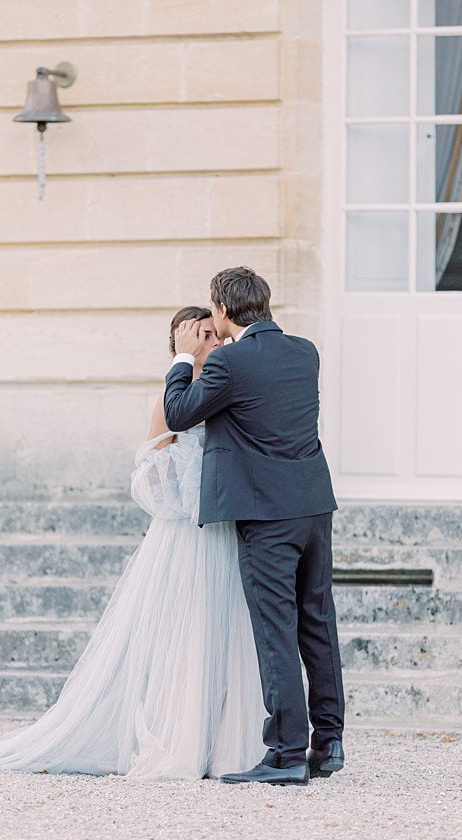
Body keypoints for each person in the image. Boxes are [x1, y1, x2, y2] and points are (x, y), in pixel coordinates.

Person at [0, 307, 267, 779]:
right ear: (184, 343)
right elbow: (150, 475)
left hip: (225, 531)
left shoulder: (229, 390)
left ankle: (222, 744)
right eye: (203, 335)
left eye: (215, 333)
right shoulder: (172, 398)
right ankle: (179, 739)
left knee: (224, 633)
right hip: (184, 536)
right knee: (187, 634)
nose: (216, 342)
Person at [165, 266, 345, 786]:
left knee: (275, 629)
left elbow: (179, 414)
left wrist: (182, 356)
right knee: (317, 621)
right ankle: (328, 741)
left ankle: (286, 754)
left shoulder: (228, 361)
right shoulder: (304, 350)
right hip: (313, 503)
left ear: (221, 310)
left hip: (267, 516)